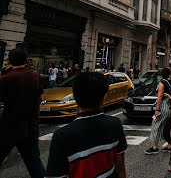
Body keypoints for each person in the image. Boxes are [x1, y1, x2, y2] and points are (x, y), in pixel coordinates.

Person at [45, 72, 127, 178]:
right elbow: (120, 168)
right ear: (104, 97)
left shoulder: (62, 136)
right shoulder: (115, 124)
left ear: (75, 96)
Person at [0, 48, 45, 178]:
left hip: (10, 124)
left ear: (9, 60)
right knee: (33, 161)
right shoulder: (35, 75)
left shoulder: (5, 78)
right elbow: (41, 97)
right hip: (31, 123)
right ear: (26, 60)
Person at [145, 68, 171, 155]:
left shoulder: (162, 83)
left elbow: (160, 96)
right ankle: (169, 145)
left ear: (161, 74)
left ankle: (155, 147)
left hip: (163, 106)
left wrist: (157, 109)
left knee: (156, 125)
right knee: (166, 126)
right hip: (169, 106)